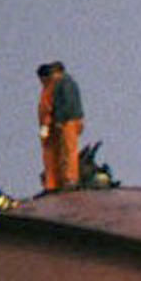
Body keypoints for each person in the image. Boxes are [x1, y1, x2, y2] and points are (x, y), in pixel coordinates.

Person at [37, 60, 85, 192]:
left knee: (67, 151)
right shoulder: (63, 84)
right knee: (64, 151)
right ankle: (61, 181)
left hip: (66, 122)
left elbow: (55, 107)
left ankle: (69, 180)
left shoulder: (61, 85)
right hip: (64, 122)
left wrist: (57, 120)